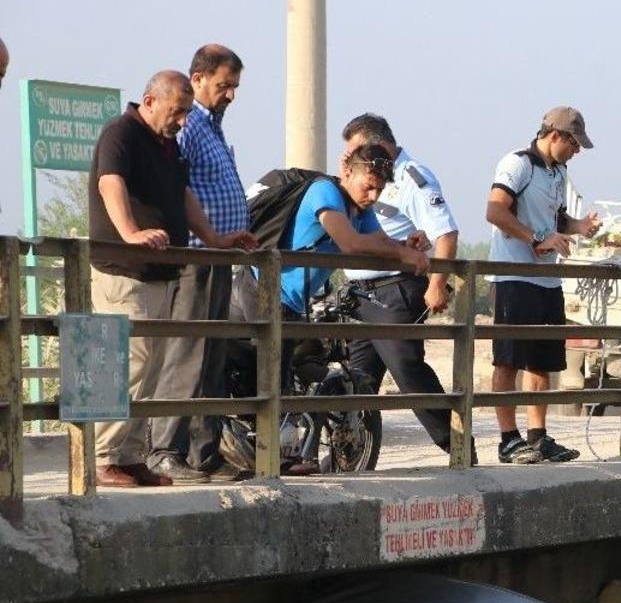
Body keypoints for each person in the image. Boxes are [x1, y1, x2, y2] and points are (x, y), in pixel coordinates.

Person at [89, 70, 256, 488]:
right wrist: (130, 233)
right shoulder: (121, 133)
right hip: (124, 272)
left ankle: (131, 457)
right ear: (150, 101)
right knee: (129, 363)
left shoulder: (165, 145)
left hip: (161, 273)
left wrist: (213, 238)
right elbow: (111, 183)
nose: (182, 121)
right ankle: (104, 458)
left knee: (151, 371)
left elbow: (183, 196)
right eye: (176, 111)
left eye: (185, 113)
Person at [228, 144, 430, 435]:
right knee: (271, 378)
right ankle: (268, 453)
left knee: (290, 372)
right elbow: (350, 243)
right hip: (264, 288)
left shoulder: (359, 208)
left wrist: (404, 245)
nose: (373, 196)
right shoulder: (326, 193)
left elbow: (380, 242)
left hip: (293, 302)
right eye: (369, 187)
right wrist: (401, 255)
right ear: (347, 172)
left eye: (379, 190)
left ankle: (279, 450)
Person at [339, 113, 475, 464]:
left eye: (357, 149)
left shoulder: (412, 177)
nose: (349, 158)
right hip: (360, 293)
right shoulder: (358, 177)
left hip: (394, 291)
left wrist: (437, 284)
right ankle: (350, 456)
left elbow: (445, 233)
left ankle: (458, 447)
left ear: (379, 143)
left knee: (408, 373)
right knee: (359, 379)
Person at [149, 44, 250, 484]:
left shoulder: (213, 129)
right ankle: (164, 450)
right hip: (194, 257)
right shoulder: (188, 127)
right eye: (224, 85)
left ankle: (203, 452)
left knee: (212, 359)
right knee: (186, 354)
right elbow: (177, 188)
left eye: (234, 87)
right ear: (199, 78)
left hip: (220, 256)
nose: (230, 94)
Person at [485, 106, 601, 464]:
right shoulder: (518, 164)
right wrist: (537, 238)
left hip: (546, 280)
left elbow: (555, 218)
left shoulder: (557, 170)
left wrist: (578, 226)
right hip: (514, 277)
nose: (577, 152)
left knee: (542, 361)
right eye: (574, 144)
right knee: (508, 361)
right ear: (555, 136)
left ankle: (537, 436)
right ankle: (508, 438)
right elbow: (495, 211)